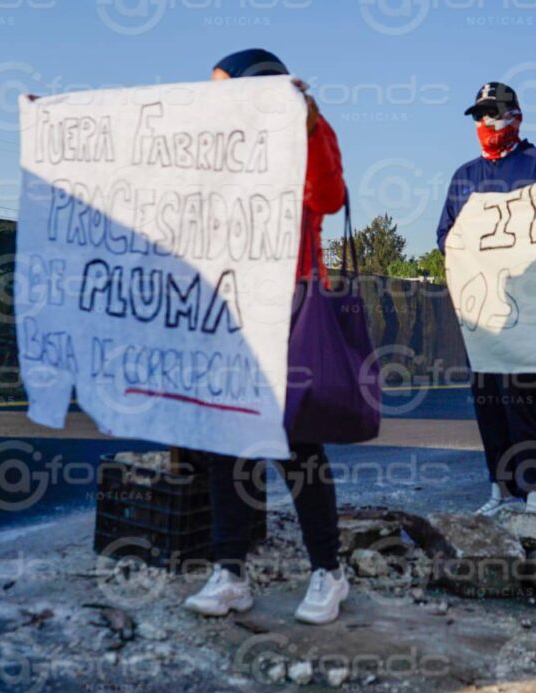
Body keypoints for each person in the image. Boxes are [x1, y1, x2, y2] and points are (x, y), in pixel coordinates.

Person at [183, 49, 350, 625]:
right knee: (228, 443)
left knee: (297, 444)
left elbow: (328, 197)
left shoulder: (306, 135)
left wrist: (309, 125)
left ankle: (329, 571)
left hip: (290, 314)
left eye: (225, 88)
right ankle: (230, 573)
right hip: (232, 315)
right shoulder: (221, 156)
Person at [435, 81, 536, 517]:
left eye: (493, 113)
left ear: (516, 117)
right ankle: (501, 486)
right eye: (479, 115)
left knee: (523, 398)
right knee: (487, 399)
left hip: (526, 310)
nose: (486, 122)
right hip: (481, 312)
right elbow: (445, 235)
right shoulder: (464, 176)